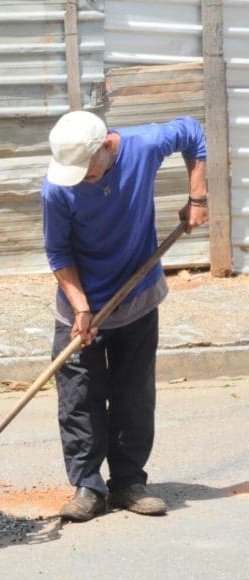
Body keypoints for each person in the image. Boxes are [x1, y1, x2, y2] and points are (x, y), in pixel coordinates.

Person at [41, 111, 208, 521]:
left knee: (133, 394)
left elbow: (193, 133)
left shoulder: (143, 145)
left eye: (86, 170)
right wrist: (82, 308)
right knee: (80, 398)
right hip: (80, 308)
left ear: (107, 147)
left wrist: (197, 197)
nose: (79, 177)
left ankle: (129, 482)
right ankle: (87, 487)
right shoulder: (57, 190)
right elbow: (59, 254)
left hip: (136, 297)